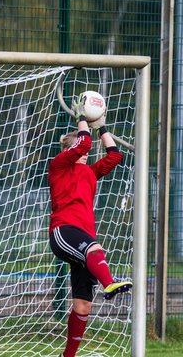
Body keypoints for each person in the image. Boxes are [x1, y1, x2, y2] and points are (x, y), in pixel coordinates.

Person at [48, 96, 132, 357]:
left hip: (83, 239)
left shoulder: (90, 172)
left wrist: (101, 125)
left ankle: (68, 355)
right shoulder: (59, 166)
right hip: (64, 231)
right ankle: (109, 283)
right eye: (79, 149)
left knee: (83, 306)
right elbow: (84, 142)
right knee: (95, 248)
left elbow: (115, 155)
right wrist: (82, 117)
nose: (85, 152)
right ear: (68, 151)